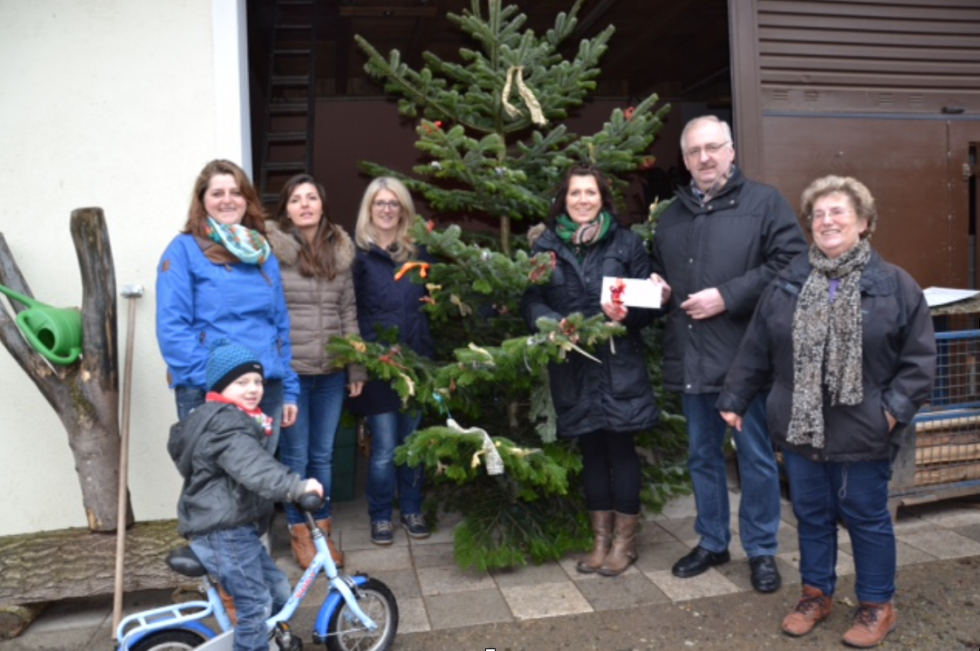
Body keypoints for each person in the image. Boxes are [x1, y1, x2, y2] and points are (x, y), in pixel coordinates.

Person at [718, 176, 936, 647]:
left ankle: (878, 604)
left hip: (864, 429)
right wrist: (734, 398)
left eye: (838, 212)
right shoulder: (789, 283)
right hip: (801, 427)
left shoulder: (894, 285)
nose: (827, 221)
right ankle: (816, 594)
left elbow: (918, 362)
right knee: (812, 515)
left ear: (863, 222)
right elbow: (757, 346)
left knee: (866, 515)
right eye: (818, 214)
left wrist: (890, 414)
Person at [649, 115, 807, 592]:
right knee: (702, 457)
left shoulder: (764, 203)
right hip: (693, 356)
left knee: (756, 458)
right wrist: (658, 290)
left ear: (731, 151)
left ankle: (761, 551)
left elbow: (793, 262)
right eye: (695, 151)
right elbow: (661, 275)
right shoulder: (671, 217)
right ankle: (713, 541)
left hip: (746, 361)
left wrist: (729, 295)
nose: (705, 158)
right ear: (685, 159)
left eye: (714, 147)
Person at [521, 163, 660, 577]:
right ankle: (600, 542)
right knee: (591, 451)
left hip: (619, 363)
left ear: (603, 199)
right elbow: (530, 301)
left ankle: (624, 544)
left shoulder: (627, 243)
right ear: (563, 199)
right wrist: (552, 323)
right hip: (574, 366)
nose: (583, 200)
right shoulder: (545, 246)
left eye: (591, 193)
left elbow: (650, 306)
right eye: (575, 193)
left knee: (621, 449)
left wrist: (627, 314)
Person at [167, 339, 323, 651]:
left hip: (232, 527)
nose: (253, 389)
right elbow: (255, 468)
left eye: (258, 381)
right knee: (255, 604)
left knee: (277, 585)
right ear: (221, 386)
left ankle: (276, 640)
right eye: (241, 382)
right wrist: (296, 486)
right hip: (223, 530)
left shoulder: (222, 418)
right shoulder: (227, 425)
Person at [156, 159, 299, 453]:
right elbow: (172, 329)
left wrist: (289, 389)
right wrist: (215, 381)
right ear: (202, 201)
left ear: (247, 199)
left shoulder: (262, 252)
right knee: (213, 490)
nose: (227, 200)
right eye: (217, 193)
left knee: (258, 486)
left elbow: (279, 325)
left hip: (264, 388)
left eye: (236, 192)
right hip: (209, 390)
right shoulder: (183, 251)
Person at [267, 173, 366, 569]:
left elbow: (348, 314)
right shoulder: (273, 255)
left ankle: (321, 531)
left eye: (312, 197)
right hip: (291, 375)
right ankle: (300, 534)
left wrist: (355, 368)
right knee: (296, 458)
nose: (305, 205)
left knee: (322, 456)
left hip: (330, 373)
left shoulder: (339, 254)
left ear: (322, 205)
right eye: (296, 199)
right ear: (286, 208)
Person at [348, 177, 434, 545]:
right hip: (379, 365)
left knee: (413, 443)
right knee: (383, 448)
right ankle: (381, 515)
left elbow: (438, 302)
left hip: (417, 363)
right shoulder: (357, 256)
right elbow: (348, 310)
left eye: (393, 203)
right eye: (379, 203)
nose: (386, 209)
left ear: (403, 210)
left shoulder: (420, 254)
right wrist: (361, 361)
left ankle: (412, 508)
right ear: (369, 209)